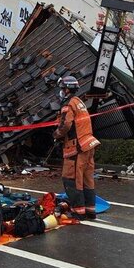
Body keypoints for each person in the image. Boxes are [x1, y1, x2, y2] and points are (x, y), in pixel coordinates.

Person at [53, 76, 101, 220]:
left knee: (72, 178)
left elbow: (66, 125)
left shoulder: (68, 104)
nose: (61, 91)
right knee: (87, 179)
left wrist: (56, 134)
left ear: (67, 89)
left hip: (76, 147)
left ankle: (78, 211)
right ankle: (90, 210)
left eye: (62, 88)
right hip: (88, 145)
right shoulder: (80, 102)